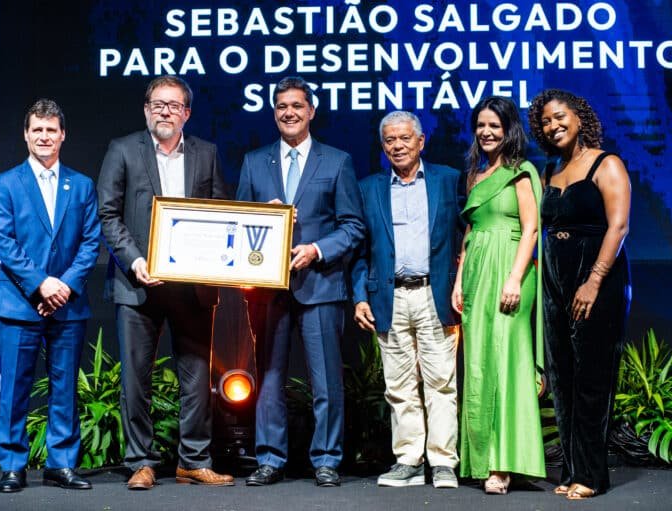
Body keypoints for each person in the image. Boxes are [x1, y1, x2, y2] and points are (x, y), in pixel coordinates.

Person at [97, 76, 233, 488]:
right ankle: (141, 461)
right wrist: (135, 260)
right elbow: (108, 214)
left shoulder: (206, 154)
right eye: (158, 104)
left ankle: (193, 460)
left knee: (195, 378)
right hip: (139, 284)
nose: (165, 112)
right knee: (136, 378)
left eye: (174, 105)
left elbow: (221, 211)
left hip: (192, 286)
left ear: (186, 113)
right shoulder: (123, 150)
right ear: (146, 110)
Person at [236, 76, 365, 487]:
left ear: (311, 110)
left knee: (325, 379)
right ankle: (270, 459)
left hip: (320, 284)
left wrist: (316, 249)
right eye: (280, 106)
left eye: (296, 105)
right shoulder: (255, 161)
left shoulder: (338, 161)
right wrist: (260, 214)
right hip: (269, 290)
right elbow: (239, 224)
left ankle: (326, 458)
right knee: (269, 378)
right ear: (273, 112)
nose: (288, 112)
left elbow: (352, 226)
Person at [0, 99, 100, 492]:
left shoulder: (82, 184)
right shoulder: (6, 183)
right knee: (16, 388)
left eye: (51, 130)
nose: (44, 136)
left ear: (63, 135)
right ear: (26, 134)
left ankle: (61, 464)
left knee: (64, 387)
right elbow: (2, 242)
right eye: (37, 129)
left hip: (68, 304)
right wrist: (41, 284)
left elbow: (90, 243)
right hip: (19, 304)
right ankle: (13, 466)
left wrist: (63, 286)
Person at [350, 111, 462, 488]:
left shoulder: (448, 180)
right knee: (398, 387)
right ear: (383, 147)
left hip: (437, 295)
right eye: (390, 140)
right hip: (389, 296)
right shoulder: (369, 188)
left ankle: (443, 462)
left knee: (441, 384)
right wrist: (359, 295)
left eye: (404, 138)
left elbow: (466, 238)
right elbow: (359, 248)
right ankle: (410, 460)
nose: (397, 145)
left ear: (420, 142)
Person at [528, 89, 631, 500]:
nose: (553, 126)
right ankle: (571, 471)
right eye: (545, 122)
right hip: (556, 282)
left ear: (579, 116)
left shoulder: (608, 164)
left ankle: (591, 474)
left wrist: (594, 280)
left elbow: (618, 227)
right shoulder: (551, 168)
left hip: (597, 280)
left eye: (558, 117)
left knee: (591, 379)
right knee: (564, 379)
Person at [451, 96, 546, 494]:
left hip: (510, 268)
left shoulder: (522, 172)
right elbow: (470, 232)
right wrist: (458, 281)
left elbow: (531, 229)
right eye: (481, 126)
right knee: (479, 365)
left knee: (507, 363)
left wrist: (514, 278)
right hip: (476, 273)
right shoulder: (475, 174)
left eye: (495, 126)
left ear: (509, 130)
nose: (487, 132)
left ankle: (505, 464)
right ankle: (483, 457)